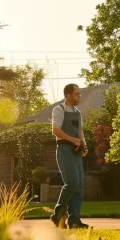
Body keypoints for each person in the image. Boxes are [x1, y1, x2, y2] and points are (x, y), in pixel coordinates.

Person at [50, 84, 90, 229]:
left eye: (79, 94)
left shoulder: (78, 112)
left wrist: (84, 145)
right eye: (76, 94)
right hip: (64, 150)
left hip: (76, 152)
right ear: (67, 95)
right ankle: (57, 214)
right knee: (72, 182)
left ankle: (74, 221)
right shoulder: (58, 110)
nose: (79, 96)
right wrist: (74, 140)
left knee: (79, 187)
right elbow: (55, 131)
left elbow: (80, 131)